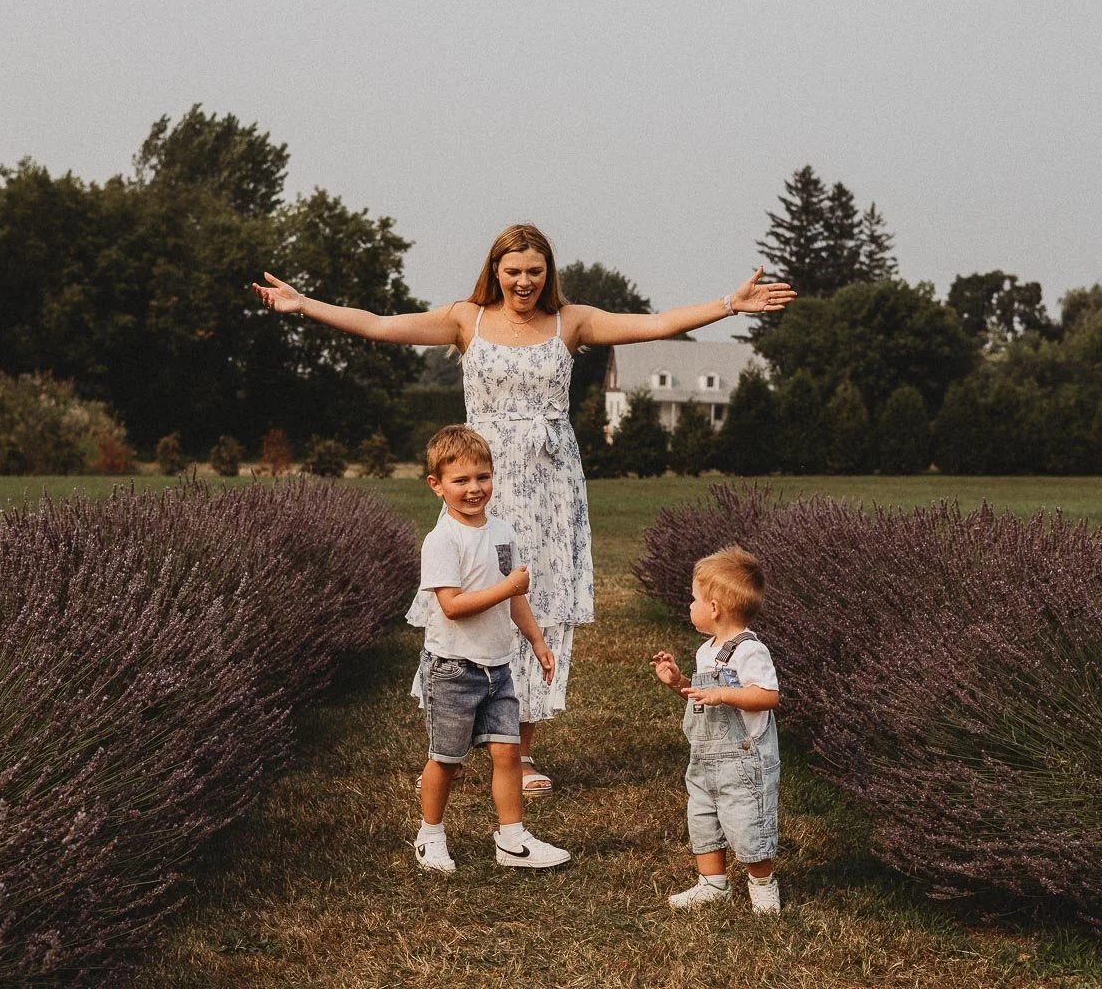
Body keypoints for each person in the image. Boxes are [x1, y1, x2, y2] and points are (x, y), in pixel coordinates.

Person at [254, 224, 795, 795]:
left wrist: (730, 304)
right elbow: (383, 326)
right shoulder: (468, 318)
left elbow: (658, 324)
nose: (524, 281)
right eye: (513, 271)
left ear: (548, 273)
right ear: (496, 270)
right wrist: (303, 305)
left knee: (539, 602)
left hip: (551, 485)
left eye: (534, 271)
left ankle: (521, 753)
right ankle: (450, 747)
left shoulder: (573, 320)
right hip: (480, 478)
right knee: (466, 596)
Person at [407, 424, 570, 872]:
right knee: (446, 758)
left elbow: (515, 596)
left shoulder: (501, 530)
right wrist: (508, 588)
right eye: (460, 480)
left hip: (498, 668)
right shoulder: (442, 541)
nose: (474, 488)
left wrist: (536, 640)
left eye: (483, 477)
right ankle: (430, 835)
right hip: (452, 670)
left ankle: (513, 839)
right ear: (436, 486)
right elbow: (454, 606)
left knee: (506, 752)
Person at [649, 546, 782, 913]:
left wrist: (724, 693)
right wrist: (678, 682)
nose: (689, 605)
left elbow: (768, 696)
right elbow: (700, 697)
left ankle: (762, 883)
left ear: (714, 608)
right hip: (705, 759)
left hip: (743, 763)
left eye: (693, 599)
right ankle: (712, 883)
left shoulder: (750, 650)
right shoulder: (706, 651)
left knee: (748, 823)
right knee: (703, 819)